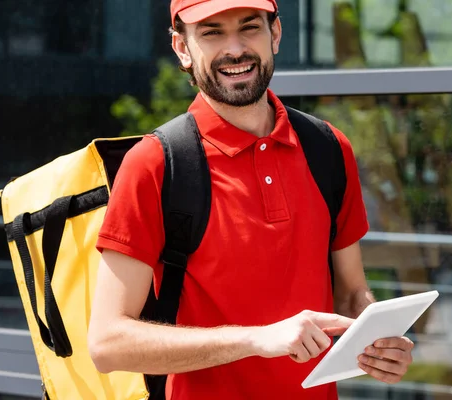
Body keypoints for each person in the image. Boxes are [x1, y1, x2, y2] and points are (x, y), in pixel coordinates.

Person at [87, 0, 414, 399]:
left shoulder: (327, 147)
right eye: (212, 32)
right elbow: (107, 344)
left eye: (250, 28)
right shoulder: (155, 163)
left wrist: (378, 341)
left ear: (275, 34)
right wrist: (255, 340)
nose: (236, 48)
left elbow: (349, 294)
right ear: (181, 48)